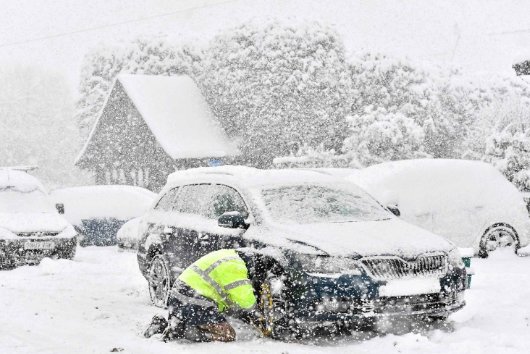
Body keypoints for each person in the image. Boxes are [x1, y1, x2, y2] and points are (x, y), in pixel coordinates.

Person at [143, 248, 281, 342]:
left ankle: (170, 324)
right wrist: (260, 314)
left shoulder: (230, 255)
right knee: (228, 335)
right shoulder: (235, 267)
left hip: (182, 296)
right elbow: (246, 301)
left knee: (204, 321)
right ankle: (181, 330)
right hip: (194, 300)